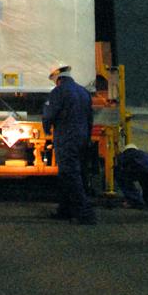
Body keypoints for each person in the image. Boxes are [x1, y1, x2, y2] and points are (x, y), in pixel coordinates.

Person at [42, 61, 96, 225]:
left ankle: (85, 213)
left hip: (67, 138)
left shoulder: (59, 92)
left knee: (70, 174)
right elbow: (90, 118)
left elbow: (48, 115)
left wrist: (46, 131)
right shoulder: (83, 92)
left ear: (57, 78)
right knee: (73, 173)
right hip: (82, 138)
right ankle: (65, 210)